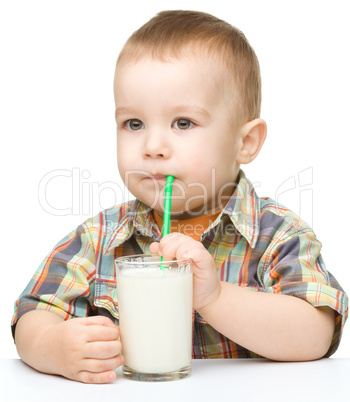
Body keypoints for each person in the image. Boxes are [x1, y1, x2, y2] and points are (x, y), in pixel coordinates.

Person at [12, 10, 348, 384]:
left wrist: (216, 298)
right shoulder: (101, 237)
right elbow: (32, 310)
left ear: (245, 142)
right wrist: (52, 344)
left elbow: (317, 333)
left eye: (183, 123)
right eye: (134, 124)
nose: (153, 146)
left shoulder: (278, 237)